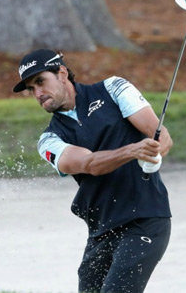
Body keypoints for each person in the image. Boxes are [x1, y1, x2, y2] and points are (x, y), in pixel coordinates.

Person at [13, 49, 172, 293]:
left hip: (145, 218)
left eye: (40, 82)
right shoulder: (49, 139)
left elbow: (161, 137)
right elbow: (88, 164)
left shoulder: (113, 88)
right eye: (31, 89)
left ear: (62, 73)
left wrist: (154, 154)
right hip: (101, 232)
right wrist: (133, 151)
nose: (38, 93)